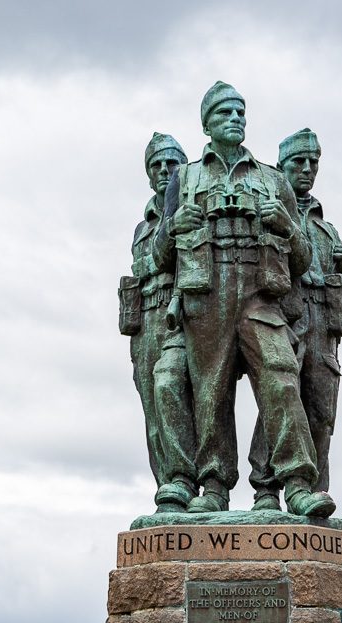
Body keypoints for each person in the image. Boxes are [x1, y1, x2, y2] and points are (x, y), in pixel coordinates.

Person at [155, 83, 336, 518]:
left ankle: (295, 483)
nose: (234, 119)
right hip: (207, 294)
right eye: (224, 114)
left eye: (239, 112)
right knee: (210, 393)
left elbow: (303, 258)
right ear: (207, 125)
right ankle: (214, 487)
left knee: (280, 376)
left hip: (259, 296)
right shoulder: (187, 177)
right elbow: (162, 258)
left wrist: (288, 228)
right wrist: (175, 224)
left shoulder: (272, 179)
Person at [249, 128, 342, 508]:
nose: (307, 169)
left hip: (324, 327)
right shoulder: (271, 214)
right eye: (298, 162)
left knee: (321, 413)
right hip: (286, 319)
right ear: (281, 168)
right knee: (279, 399)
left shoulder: (328, 232)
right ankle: (266, 488)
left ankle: (314, 491)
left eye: (313, 163)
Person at [120, 133, 197, 512]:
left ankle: (192, 483)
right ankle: (168, 489)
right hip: (145, 320)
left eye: (171, 163)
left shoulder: (190, 209)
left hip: (179, 313)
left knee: (179, 396)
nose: (165, 171)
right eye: (157, 165)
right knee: (153, 413)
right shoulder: (142, 226)